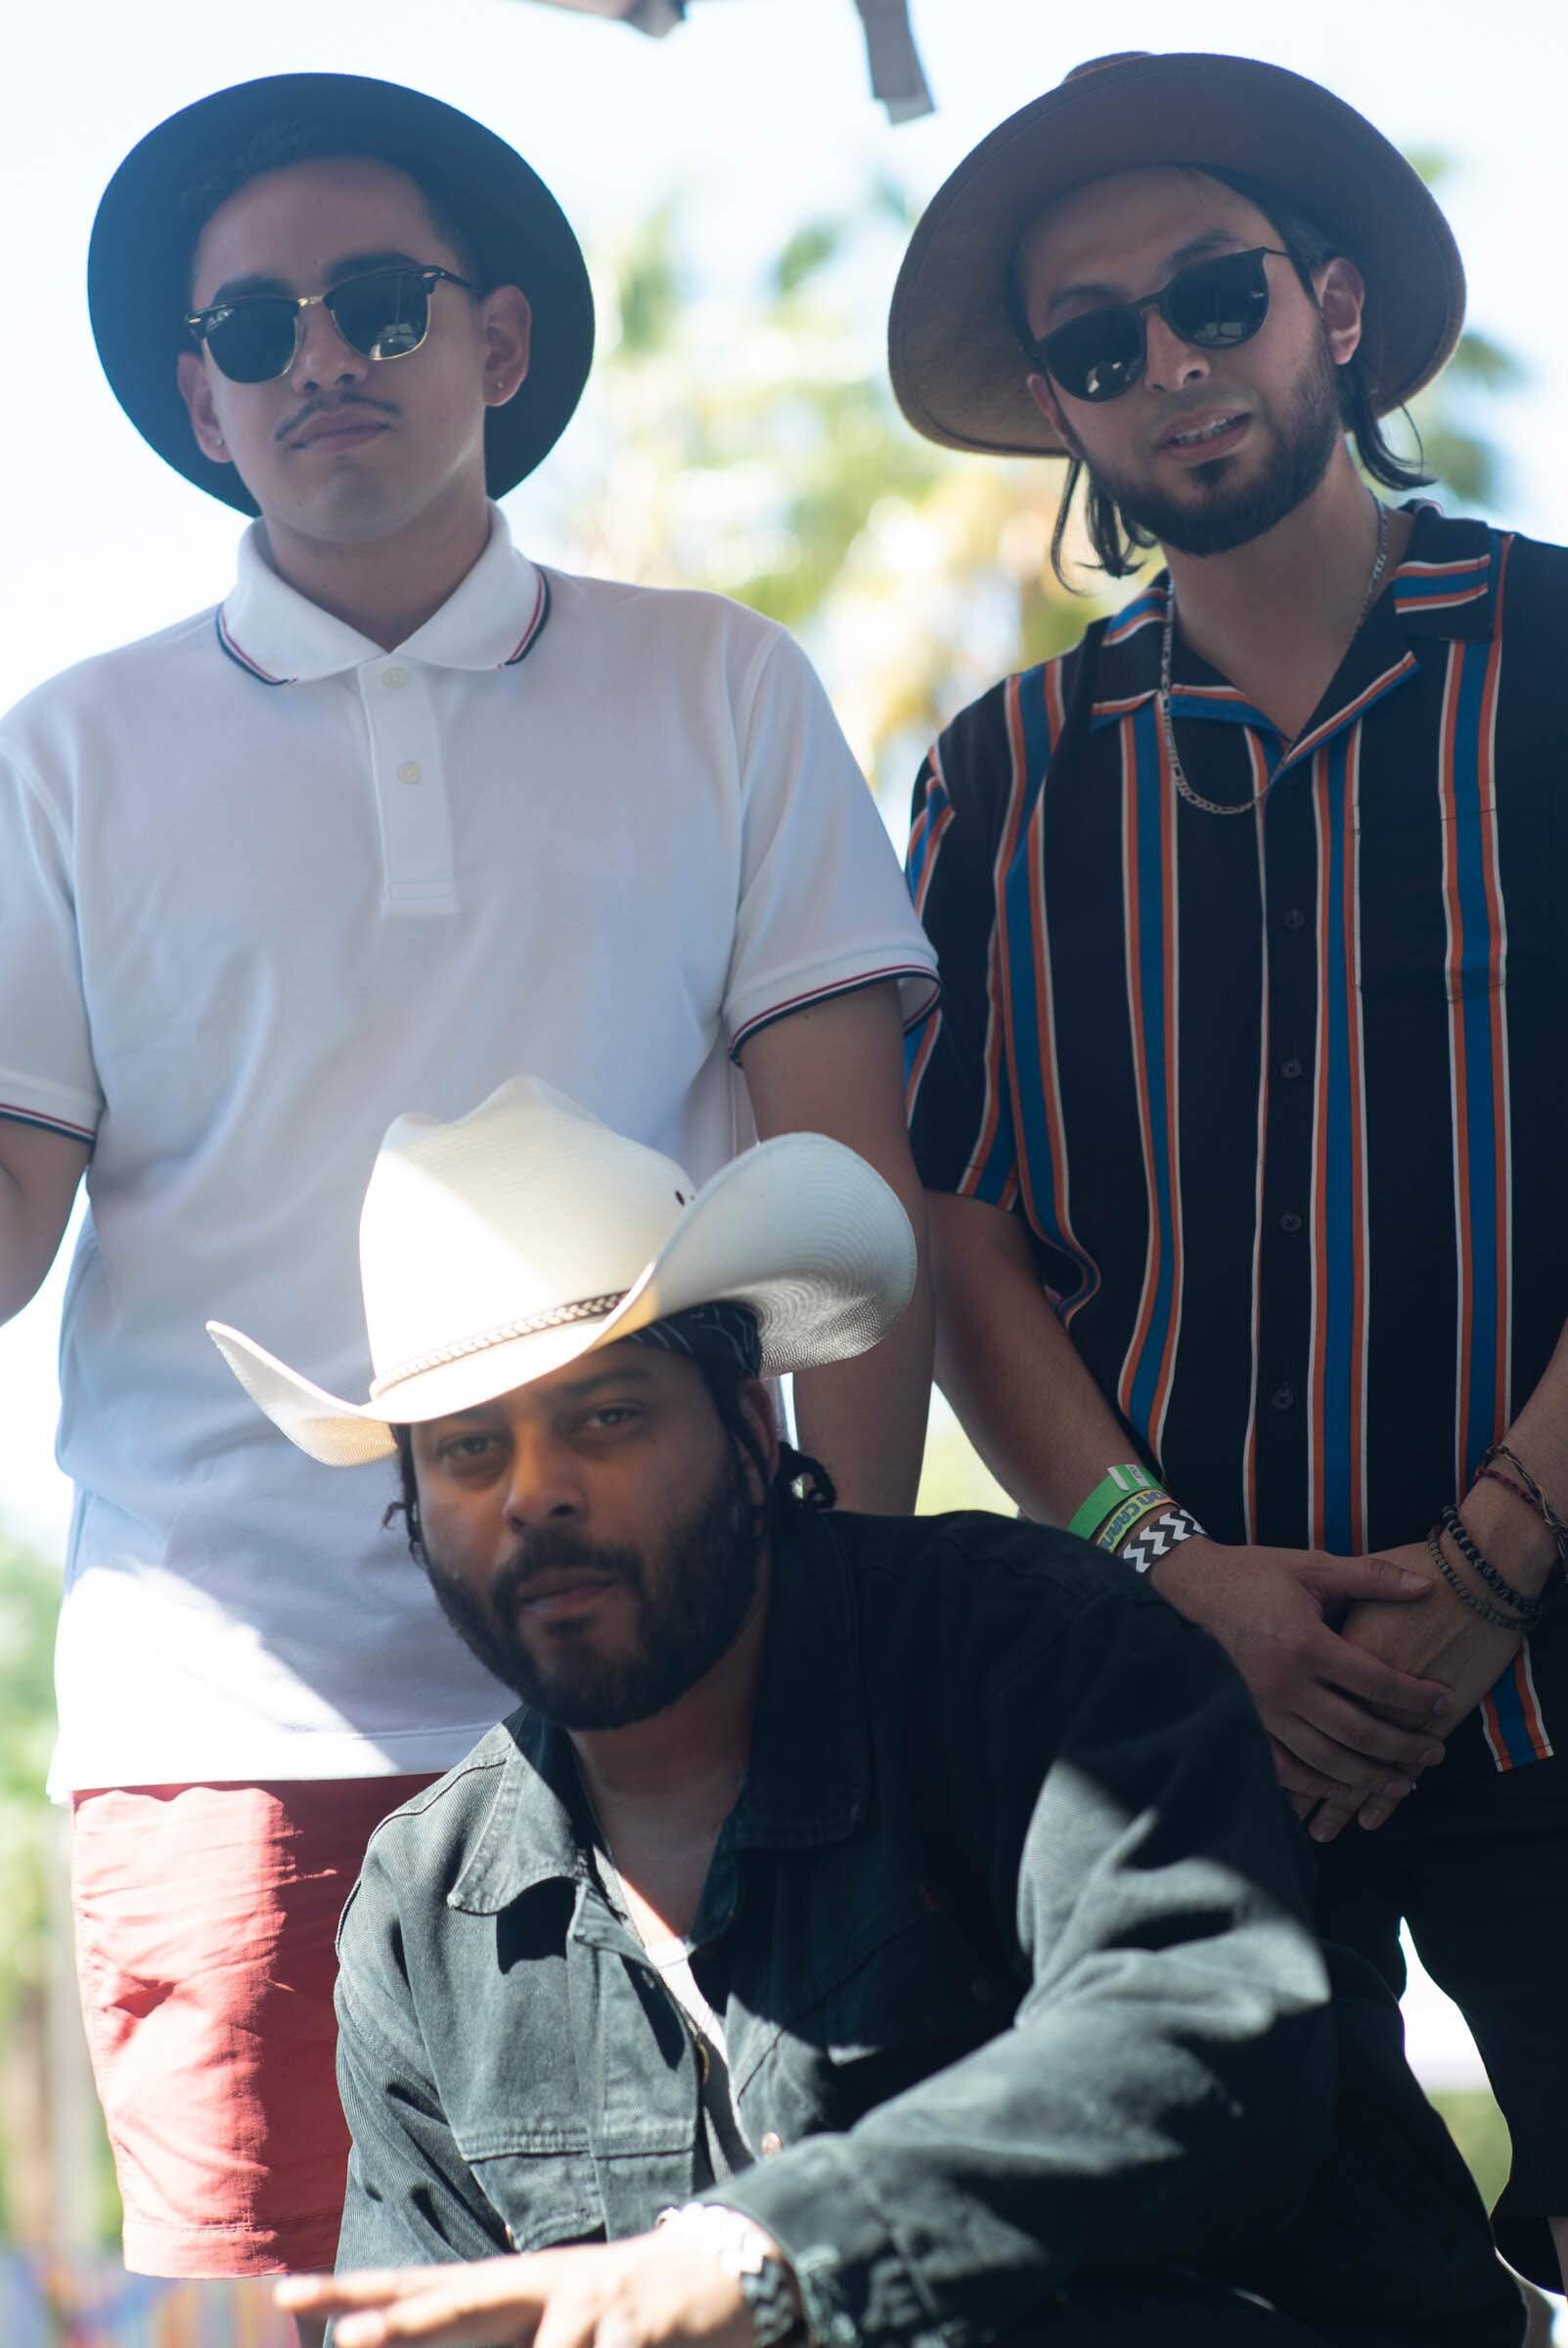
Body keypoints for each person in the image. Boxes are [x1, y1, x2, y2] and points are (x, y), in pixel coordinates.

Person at [0, 70, 936, 2313]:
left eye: (376, 300)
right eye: (250, 331)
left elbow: (849, 1199)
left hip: (678, 1688)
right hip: (228, 1725)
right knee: (275, 2318)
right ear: (203, 401)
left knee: (711, 2300)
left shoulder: (717, 682)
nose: (316, 356)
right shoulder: (63, 755)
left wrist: (862, 1627)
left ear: (496, 344)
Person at [202, 1074, 1523, 2348]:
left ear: (751, 1426)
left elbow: (1207, 2031)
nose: (534, 1493)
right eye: (469, 1449)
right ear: (416, 1514)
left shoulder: (1031, 1653)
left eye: (604, 1416)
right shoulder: (425, 1914)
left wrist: (759, 2263)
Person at [886, 47, 1568, 2296]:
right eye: (1100, 344)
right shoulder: (1002, 779)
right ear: (1066, 414)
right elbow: (959, 1230)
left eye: (1214, 298)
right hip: (1190, 1737)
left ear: (1335, 310)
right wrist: (1173, 1573)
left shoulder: (1560, 665)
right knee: (1269, 2300)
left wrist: (1493, 1562)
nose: (1170, 366)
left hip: (1560, 1652)